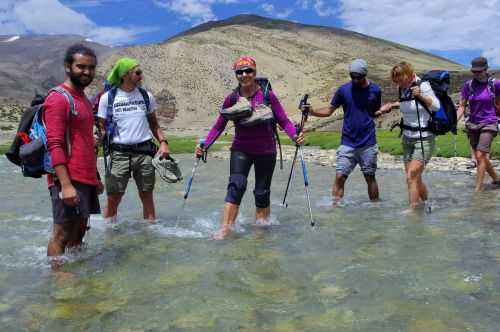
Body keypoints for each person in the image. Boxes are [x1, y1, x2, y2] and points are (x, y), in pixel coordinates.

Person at [195, 56, 304, 239]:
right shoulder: (231, 98)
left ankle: (260, 230)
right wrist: (205, 145)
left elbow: (283, 120)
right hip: (241, 150)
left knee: (262, 191)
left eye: (248, 71)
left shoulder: (268, 96)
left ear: (255, 72)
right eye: (240, 72)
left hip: (266, 151)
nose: (244, 75)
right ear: (236, 74)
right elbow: (218, 126)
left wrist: (295, 136)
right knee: (236, 186)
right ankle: (226, 228)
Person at [44, 44, 104, 257]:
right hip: (67, 178)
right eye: (81, 67)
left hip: (85, 178)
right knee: (62, 233)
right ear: (67, 66)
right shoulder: (58, 98)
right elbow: (55, 143)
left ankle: (77, 280)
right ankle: (57, 278)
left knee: (79, 232)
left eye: (91, 67)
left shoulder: (85, 101)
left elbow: (86, 144)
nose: (87, 72)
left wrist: (95, 177)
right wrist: (66, 185)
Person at [97, 57, 169, 223]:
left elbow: (154, 124)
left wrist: (163, 143)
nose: (141, 76)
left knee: (147, 194)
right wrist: (97, 141)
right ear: (124, 75)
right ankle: (109, 233)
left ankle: (151, 232)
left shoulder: (146, 96)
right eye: (137, 72)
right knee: (114, 197)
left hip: (144, 153)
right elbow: (102, 127)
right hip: (118, 154)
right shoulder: (107, 98)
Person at [302, 59, 381, 204]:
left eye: (359, 77)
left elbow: (375, 111)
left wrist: (383, 110)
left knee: (370, 176)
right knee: (339, 177)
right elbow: (329, 110)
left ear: (365, 75)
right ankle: (336, 209)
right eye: (353, 77)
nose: (355, 80)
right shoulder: (343, 90)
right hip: (347, 142)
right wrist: (311, 112)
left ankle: (376, 208)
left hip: (368, 142)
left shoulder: (376, 90)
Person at [375, 61, 440, 209]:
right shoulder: (402, 89)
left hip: (424, 139)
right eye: (396, 81)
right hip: (407, 138)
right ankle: (427, 204)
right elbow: (408, 104)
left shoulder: (423, 86)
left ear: (409, 75)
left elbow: (436, 106)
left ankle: (412, 212)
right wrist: (391, 105)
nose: (399, 83)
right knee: (414, 178)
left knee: (411, 177)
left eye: (401, 80)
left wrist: (421, 96)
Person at [457, 56, 500, 191]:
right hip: (473, 123)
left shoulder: (495, 84)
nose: (476, 74)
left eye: (479, 71)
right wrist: (455, 120)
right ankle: (496, 178)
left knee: (481, 155)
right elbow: (462, 105)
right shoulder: (468, 85)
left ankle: (478, 190)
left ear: (486, 69)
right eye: (474, 71)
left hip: (490, 122)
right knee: (479, 156)